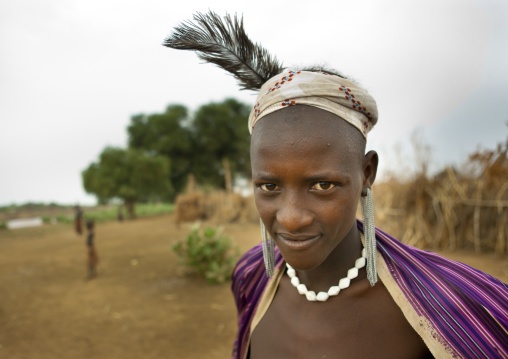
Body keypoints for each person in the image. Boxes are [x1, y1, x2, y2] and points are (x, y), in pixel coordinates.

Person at [164, 11, 508, 359]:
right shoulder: (250, 277)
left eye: (323, 185)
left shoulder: (455, 304)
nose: (292, 218)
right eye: (269, 187)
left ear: (366, 173)